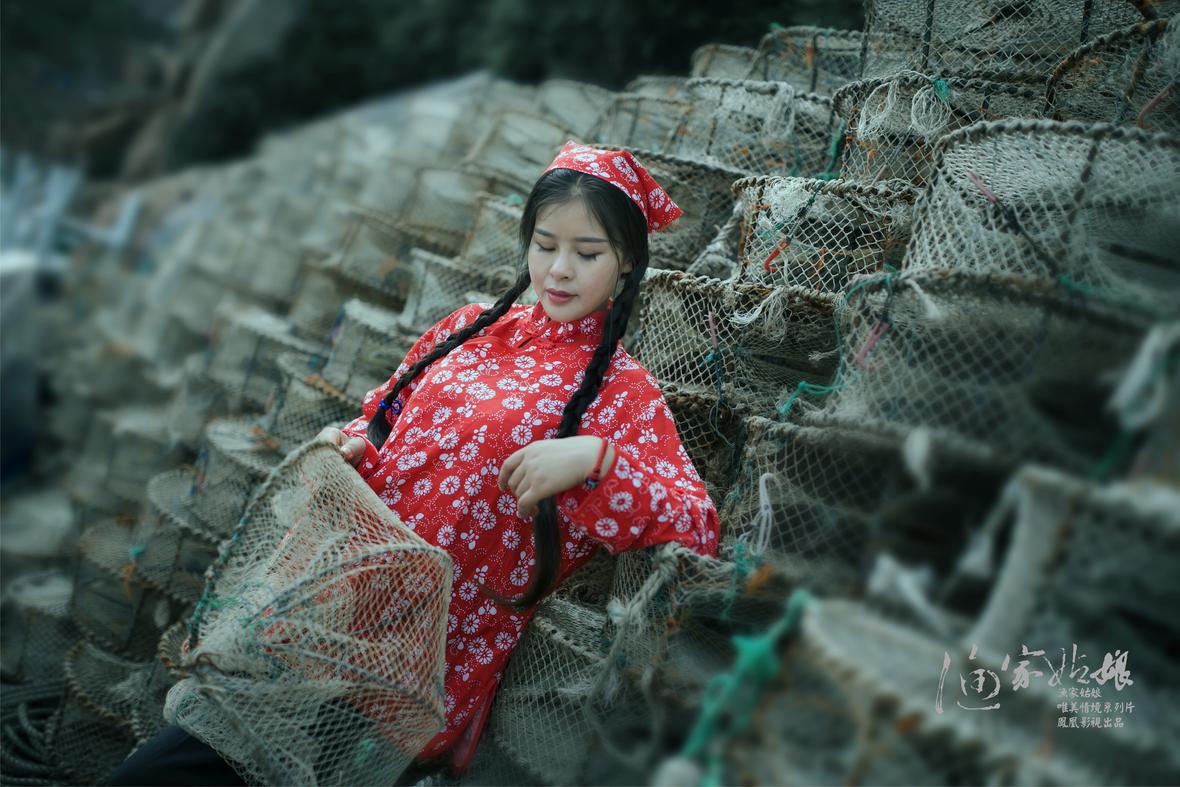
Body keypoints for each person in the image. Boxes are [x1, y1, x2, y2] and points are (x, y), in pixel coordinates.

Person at [104, 141, 720, 785]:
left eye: (587, 254)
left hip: (421, 669)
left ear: (626, 261)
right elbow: (383, 418)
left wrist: (596, 459)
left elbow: (695, 525)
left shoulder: (624, 394)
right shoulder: (469, 328)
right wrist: (354, 444)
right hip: (328, 611)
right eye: (545, 245)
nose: (559, 270)